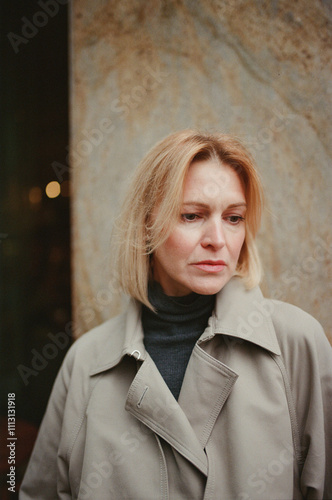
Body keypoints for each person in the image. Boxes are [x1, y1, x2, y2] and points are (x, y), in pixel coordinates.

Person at [20, 130, 332, 499]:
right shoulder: (87, 362)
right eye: (192, 215)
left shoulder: (295, 343)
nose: (218, 238)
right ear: (146, 223)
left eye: (233, 218)